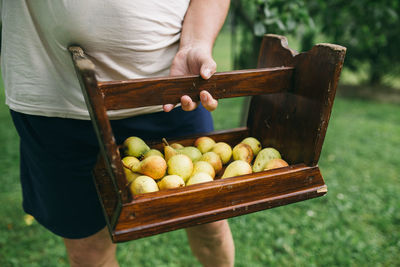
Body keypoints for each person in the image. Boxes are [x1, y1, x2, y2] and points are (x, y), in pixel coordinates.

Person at [1, 1, 234, 266]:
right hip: (60, 100)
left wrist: (196, 43)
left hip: (171, 91)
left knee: (210, 226)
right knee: (88, 249)